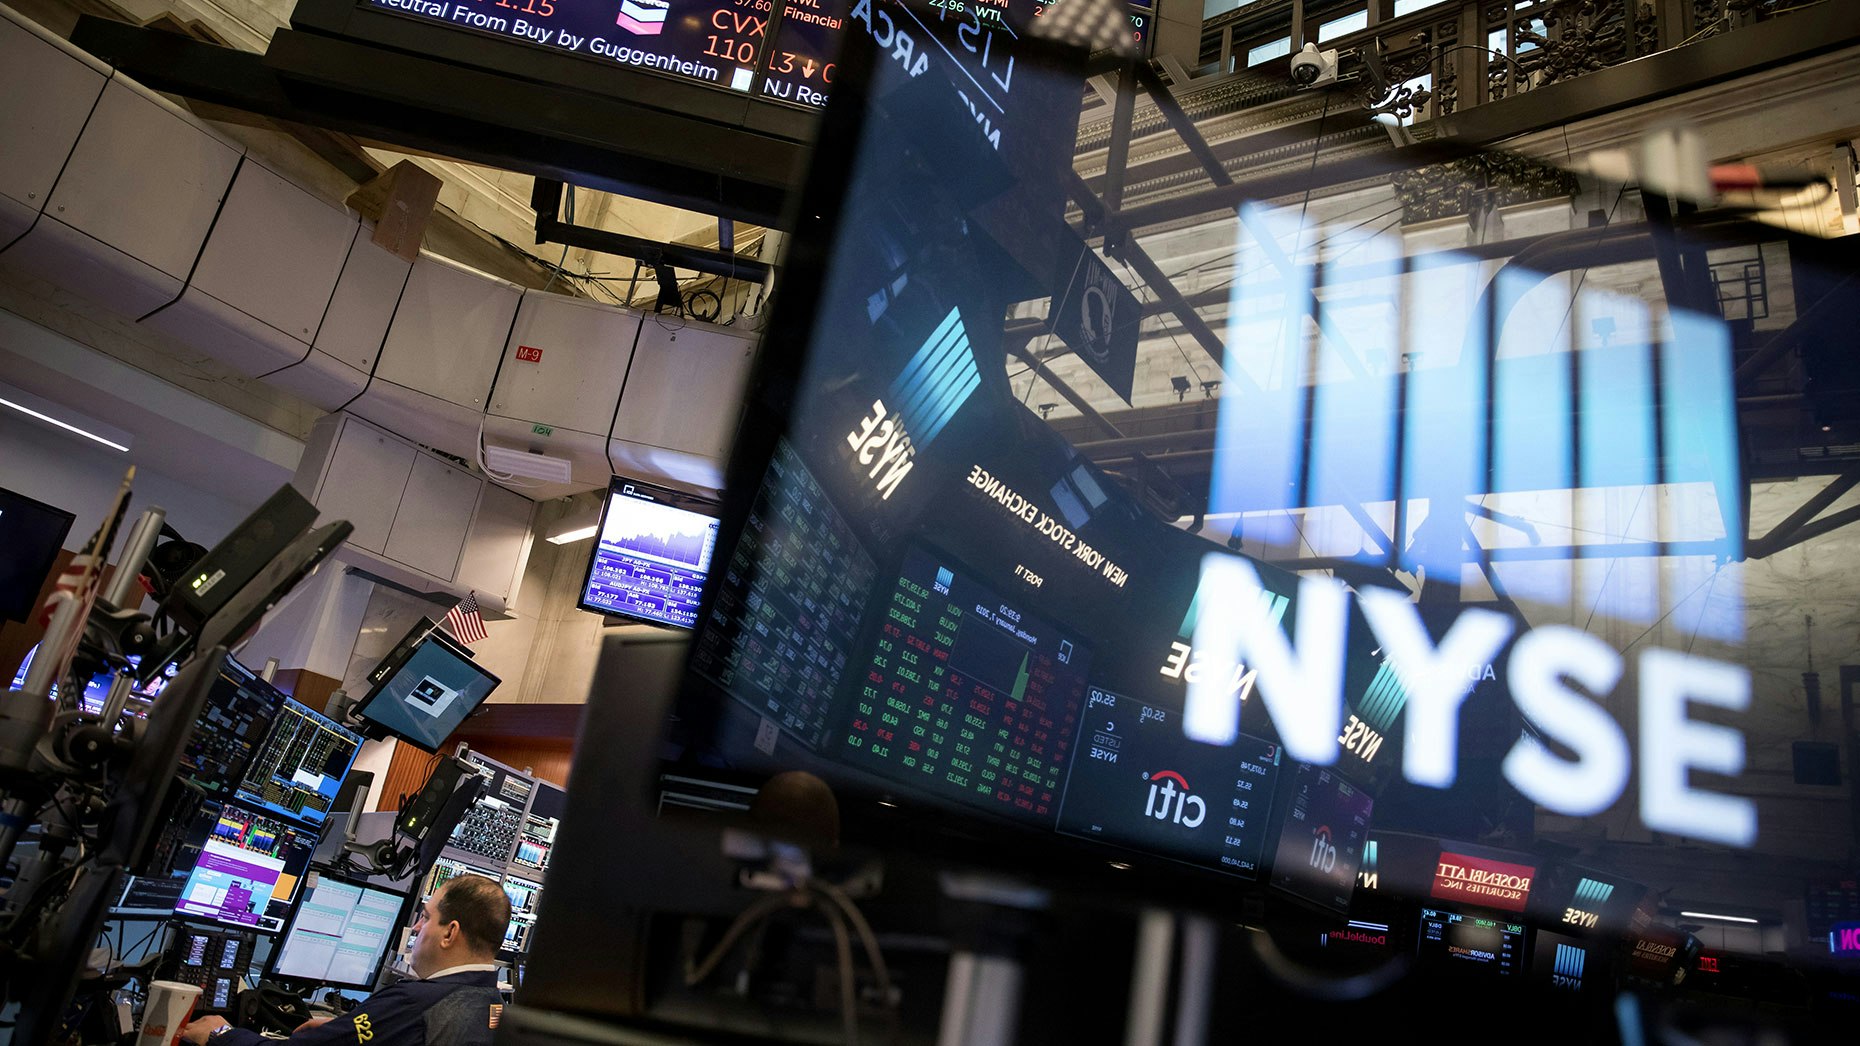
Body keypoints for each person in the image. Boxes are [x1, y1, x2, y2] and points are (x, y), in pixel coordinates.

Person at [182, 875, 511, 1045]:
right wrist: (345, 1032)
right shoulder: (493, 1005)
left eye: (426, 916)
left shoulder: (414, 1003)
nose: (417, 928)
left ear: (450, 933)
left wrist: (221, 1034)